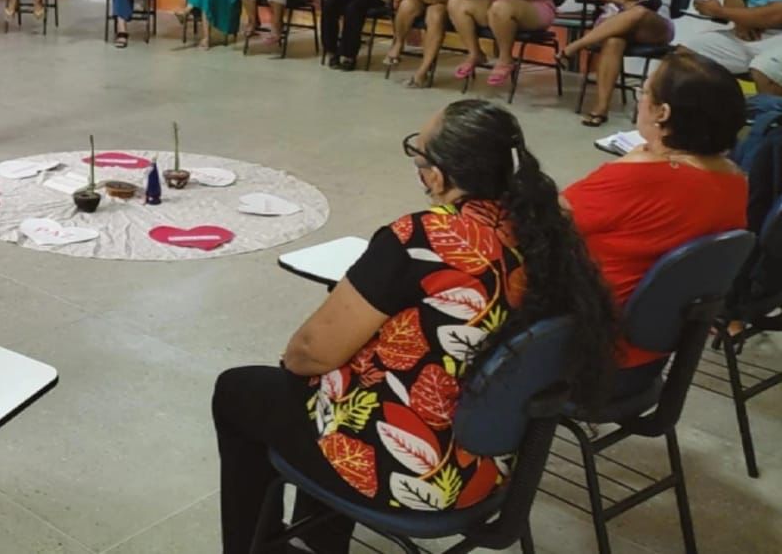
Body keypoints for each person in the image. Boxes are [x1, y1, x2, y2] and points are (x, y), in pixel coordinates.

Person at [214, 99, 616, 554]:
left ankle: (256, 546)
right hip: (488, 461)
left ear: (437, 176)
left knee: (241, 390)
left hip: (414, 473)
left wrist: (307, 365)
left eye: (418, 154)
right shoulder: (546, 230)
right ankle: (316, 538)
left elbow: (311, 351)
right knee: (328, 384)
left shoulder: (424, 237)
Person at [564, 52, 745, 391]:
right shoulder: (737, 181)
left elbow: (536, 225)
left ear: (663, 113)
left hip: (581, 357)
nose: (640, 100)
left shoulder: (639, 176)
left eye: (644, 92)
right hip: (651, 359)